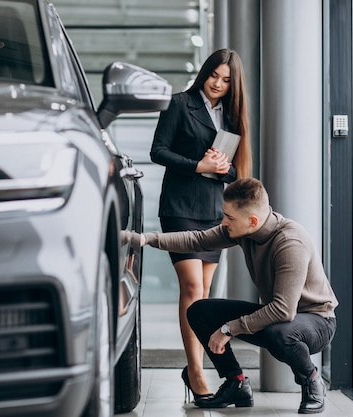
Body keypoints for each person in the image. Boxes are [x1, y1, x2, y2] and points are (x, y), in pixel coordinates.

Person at [129, 178, 338, 414]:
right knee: (199, 311)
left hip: (316, 320)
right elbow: (197, 239)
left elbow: (283, 309)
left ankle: (311, 380)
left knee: (279, 332)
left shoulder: (289, 242)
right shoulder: (243, 229)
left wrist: (229, 329)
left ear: (253, 221)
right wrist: (145, 239)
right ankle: (235, 382)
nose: (223, 221)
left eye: (229, 217)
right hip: (279, 318)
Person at [149, 48, 253, 401]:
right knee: (193, 289)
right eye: (214, 76)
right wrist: (198, 165)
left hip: (212, 211)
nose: (218, 84)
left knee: (203, 298)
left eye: (226, 80)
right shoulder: (180, 103)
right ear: (205, 72)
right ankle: (195, 372)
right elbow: (158, 151)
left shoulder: (233, 116)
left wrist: (223, 169)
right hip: (180, 207)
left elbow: (238, 173)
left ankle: (198, 367)